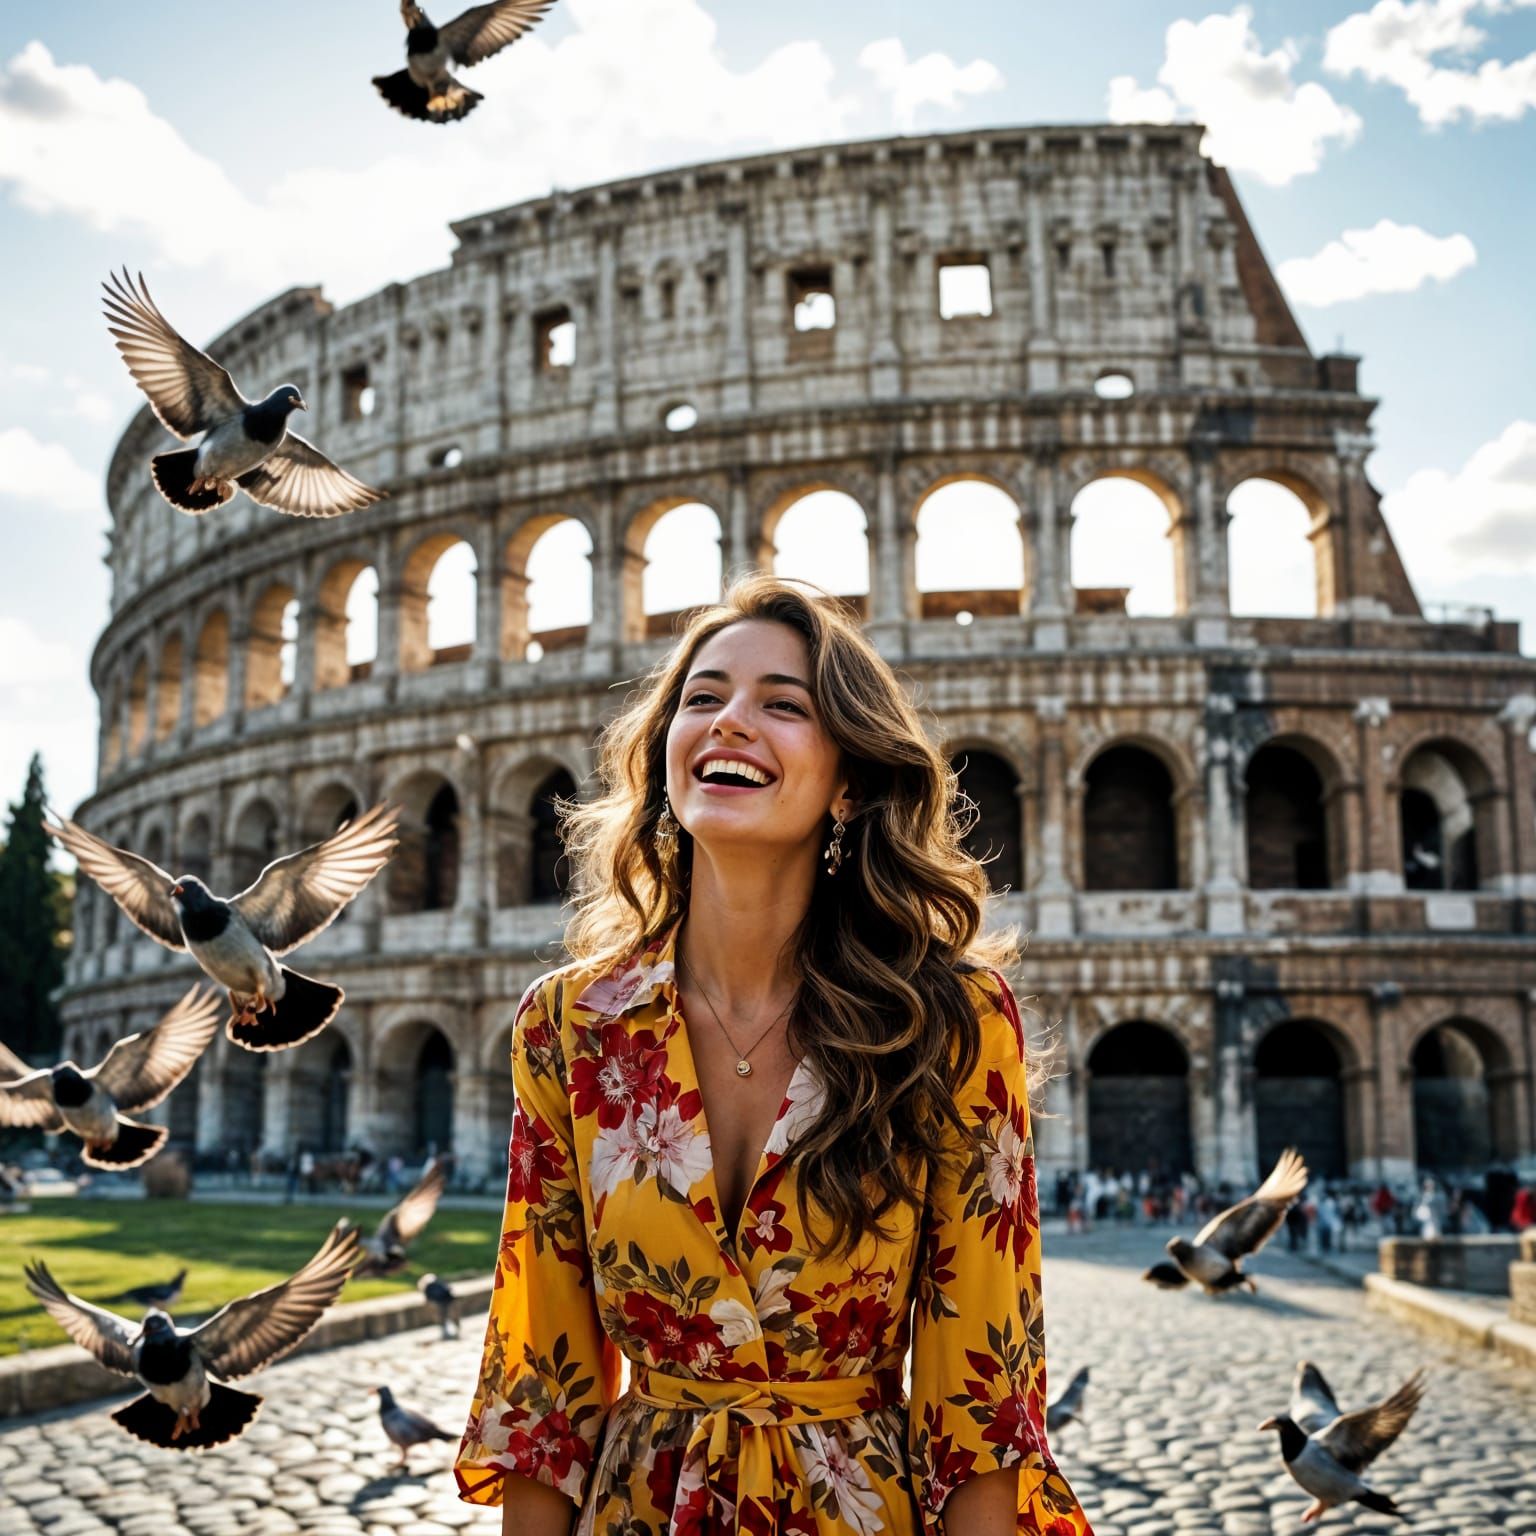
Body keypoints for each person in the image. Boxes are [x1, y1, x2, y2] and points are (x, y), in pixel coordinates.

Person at [453, 577, 1090, 1536]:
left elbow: (981, 1394)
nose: (730, 721)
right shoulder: (572, 1024)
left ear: (850, 782)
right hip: (640, 1512)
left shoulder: (950, 1023)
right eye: (701, 699)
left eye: (782, 704)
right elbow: (541, 1381)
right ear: (665, 754)